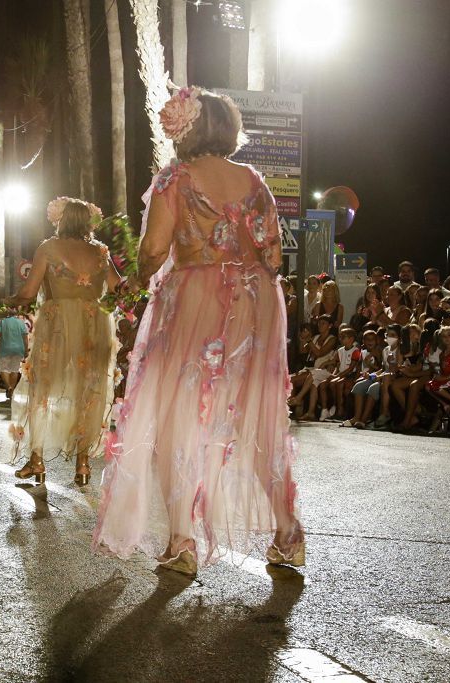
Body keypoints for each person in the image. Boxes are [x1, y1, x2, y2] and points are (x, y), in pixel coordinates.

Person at [93, 87, 303, 577]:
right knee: (255, 416)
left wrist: (138, 277)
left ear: (186, 128)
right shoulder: (254, 180)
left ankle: (182, 542)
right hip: (256, 305)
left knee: (180, 417)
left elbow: (153, 250)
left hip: (195, 301)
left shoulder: (176, 178)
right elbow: (273, 255)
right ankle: (289, 534)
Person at [6, 198, 121, 486]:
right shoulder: (101, 251)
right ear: (88, 223)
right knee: (89, 390)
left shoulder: (49, 248)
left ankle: (37, 460)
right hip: (95, 321)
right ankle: (83, 464)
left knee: (43, 387)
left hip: (57, 322)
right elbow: (119, 288)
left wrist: (12, 301)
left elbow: (29, 292)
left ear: (62, 220)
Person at [0, 307, 30, 401]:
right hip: (18, 349)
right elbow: (25, 337)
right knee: (14, 370)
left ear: (7, 313)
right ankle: (12, 392)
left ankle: (8, 387)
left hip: (5, 349)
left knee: (4, 369)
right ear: (16, 314)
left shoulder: (3, 322)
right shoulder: (21, 323)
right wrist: (25, 350)